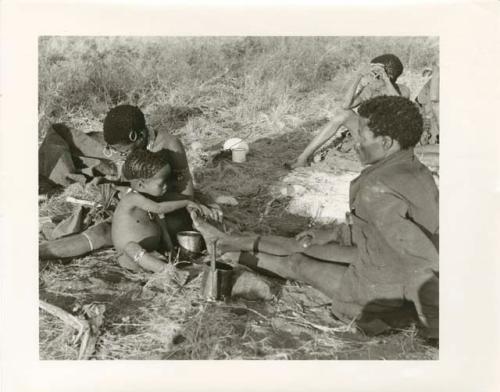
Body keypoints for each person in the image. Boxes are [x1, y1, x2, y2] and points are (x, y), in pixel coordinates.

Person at [194, 96, 439, 339]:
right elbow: (380, 229)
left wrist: (434, 325)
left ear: (386, 142)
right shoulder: (415, 170)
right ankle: (231, 242)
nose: (355, 143)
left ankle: (229, 251)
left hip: (382, 285)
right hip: (378, 255)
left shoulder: (378, 186)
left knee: (297, 263)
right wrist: (330, 234)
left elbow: (420, 258)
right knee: (304, 245)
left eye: (361, 136)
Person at [39, 104, 220, 259]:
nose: (122, 155)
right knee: (96, 225)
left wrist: (138, 200)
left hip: (165, 209)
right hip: (138, 204)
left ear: (136, 136)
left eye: (122, 150)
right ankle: (36, 253)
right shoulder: (134, 146)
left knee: (105, 232)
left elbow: (186, 193)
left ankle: (40, 253)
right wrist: (117, 189)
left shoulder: (170, 146)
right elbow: (130, 180)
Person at [290, 54, 411, 169]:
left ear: (387, 73)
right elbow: (346, 105)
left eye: (375, 71)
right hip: (368, 136)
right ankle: (303, 158)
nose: (371, 74)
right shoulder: (371, 90)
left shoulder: (403, 90)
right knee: (344, 114)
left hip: (386, 142)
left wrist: (386, 79)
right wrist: (358, 78)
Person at [112, 148, 212, 272]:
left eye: (167, 182)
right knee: (131, 247)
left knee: (159, 255)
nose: (166, 187)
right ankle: (168, 272)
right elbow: (158, 209)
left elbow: (161, 224)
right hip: (130, 258)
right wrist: (186, 202)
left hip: (150, 255)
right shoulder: (132, 198)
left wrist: (170, 248)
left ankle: (165, 268)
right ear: (141, 185)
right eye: (161, 184)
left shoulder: (148, 198)